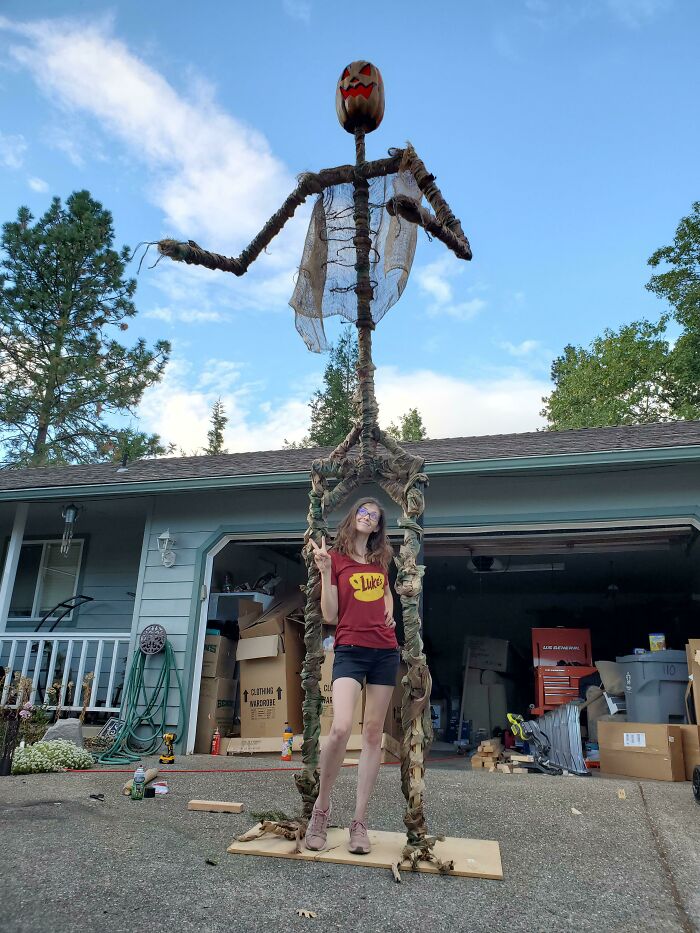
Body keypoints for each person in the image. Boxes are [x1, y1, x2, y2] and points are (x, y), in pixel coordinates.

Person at [304, 498, 399, 855]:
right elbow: (330, 614)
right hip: (350, 650)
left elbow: (386, 593)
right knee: (341, 727)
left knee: (373, 734)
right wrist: (325, 570)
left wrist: (389, 612)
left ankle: (359, 822)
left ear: (377, 527)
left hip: (385, 652)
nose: (368, 517)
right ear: (354, 516)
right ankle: (321, 809)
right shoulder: (336, 559)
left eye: (374, 516)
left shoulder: (379, 561)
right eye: (363, 511)